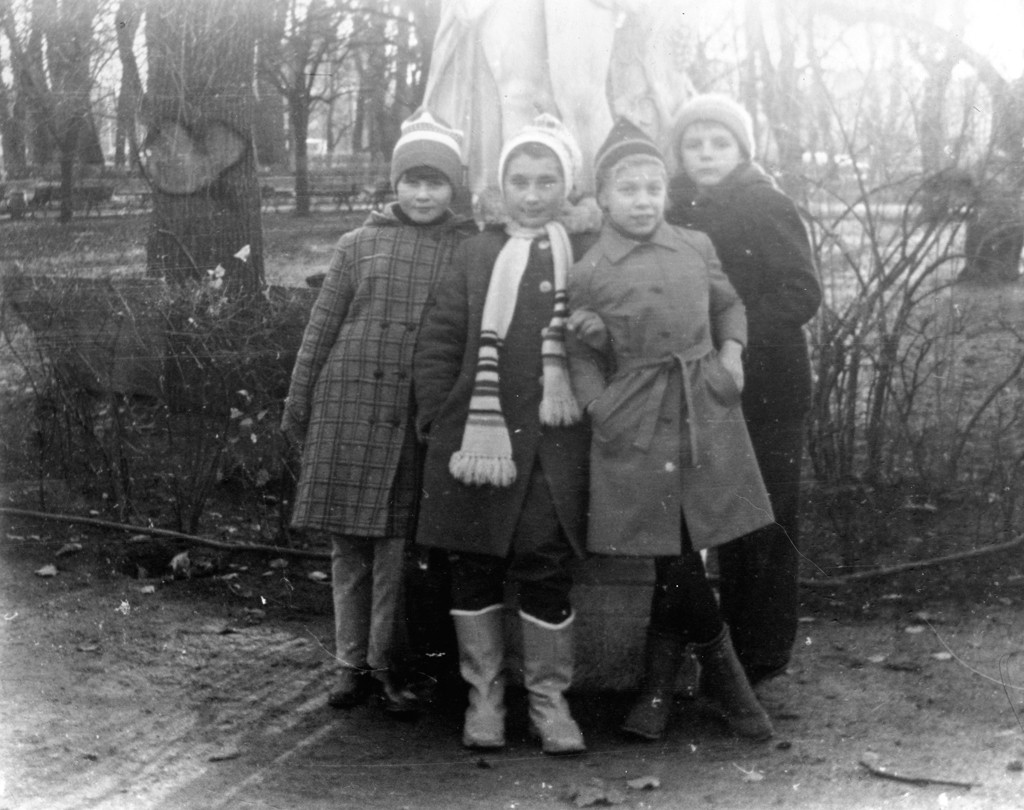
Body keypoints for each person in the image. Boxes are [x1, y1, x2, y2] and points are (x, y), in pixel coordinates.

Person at [566, 117, 774, 741]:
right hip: (637, 417)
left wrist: (731, 356)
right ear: (603, 198)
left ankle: (656, 693)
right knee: (672, 550)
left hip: (703, 405)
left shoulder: (695, 245)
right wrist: (598, 404)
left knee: (684, 547)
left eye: (653, 189)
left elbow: (729, 304)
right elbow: (578, 352)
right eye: (628, 190)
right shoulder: (589, 268)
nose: (643, 202)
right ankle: (729, 685)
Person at [280, 110, 474, 716]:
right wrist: (299, 398)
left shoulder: (465, 248)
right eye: (412, 180)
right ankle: (348, 665)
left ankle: (387, 664)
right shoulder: (357, 244)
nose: (423, 194)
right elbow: (321, 328)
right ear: (395, 184)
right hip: (347, 406)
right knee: (347, 549)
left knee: (393, 549)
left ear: (453, 188)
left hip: (409, 415)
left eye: (435, 182)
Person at [414, 114, 593, 755]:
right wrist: (437, 415)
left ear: (567, 186)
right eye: (520, 181)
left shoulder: (583, 251)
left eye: (547, 181)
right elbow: (440, 336)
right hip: (476, 436)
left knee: (545, 561)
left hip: (551, 442)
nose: (533, 194)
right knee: (473, 560)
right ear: (502, 185)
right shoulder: (477, 251)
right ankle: (484, 697)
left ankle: (549, 701)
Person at [666, 94, 822, 686]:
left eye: (720, 143)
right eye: (694, 144)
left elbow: (801, 291)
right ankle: (714, 651)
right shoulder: (672, 205)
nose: (706, 154)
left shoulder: (765, 203)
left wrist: (731, 330)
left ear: (742, 149)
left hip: (769, 385)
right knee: (715, 514)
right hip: (702, 382)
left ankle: (760, 656)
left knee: (765, 519)